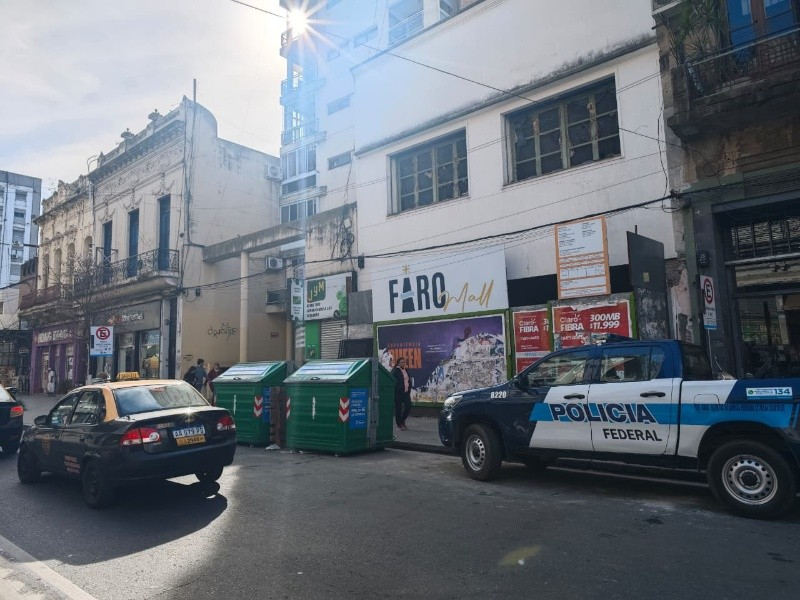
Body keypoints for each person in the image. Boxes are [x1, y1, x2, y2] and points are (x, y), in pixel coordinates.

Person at [391, 357, 412, 431]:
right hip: (398, 393)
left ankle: (402, 421)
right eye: (401, 362)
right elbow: (393, 381)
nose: (403, 363)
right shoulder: (395, 371)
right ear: (398, 363)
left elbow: (408, 380)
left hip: (406, 392)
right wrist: (398, 387)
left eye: (404, 362)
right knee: (398, 409)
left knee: (408, 406)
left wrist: (409, 387)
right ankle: (399, 425)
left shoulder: (406, 370)